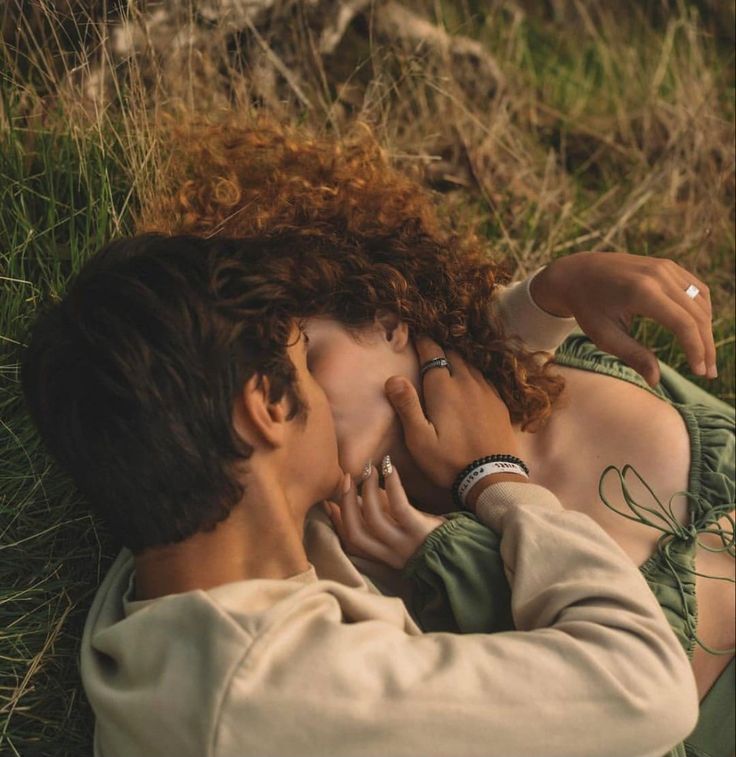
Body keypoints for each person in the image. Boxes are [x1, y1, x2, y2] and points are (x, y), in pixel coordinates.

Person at [137, 117, 734, 755]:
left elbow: (468, 349)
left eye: (310, 359)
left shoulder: (539, 360)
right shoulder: (333, 560)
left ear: (387, 320)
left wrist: (552, 292)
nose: (297, 402)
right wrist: (484, 494)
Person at [20, 233, 698, 757]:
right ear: (267, 407)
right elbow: (645, 684)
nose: (322, 395)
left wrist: (548, 297)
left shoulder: (194, 558)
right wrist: (497, 479)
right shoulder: (280, 692)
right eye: (303, 365)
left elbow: (403, 392)